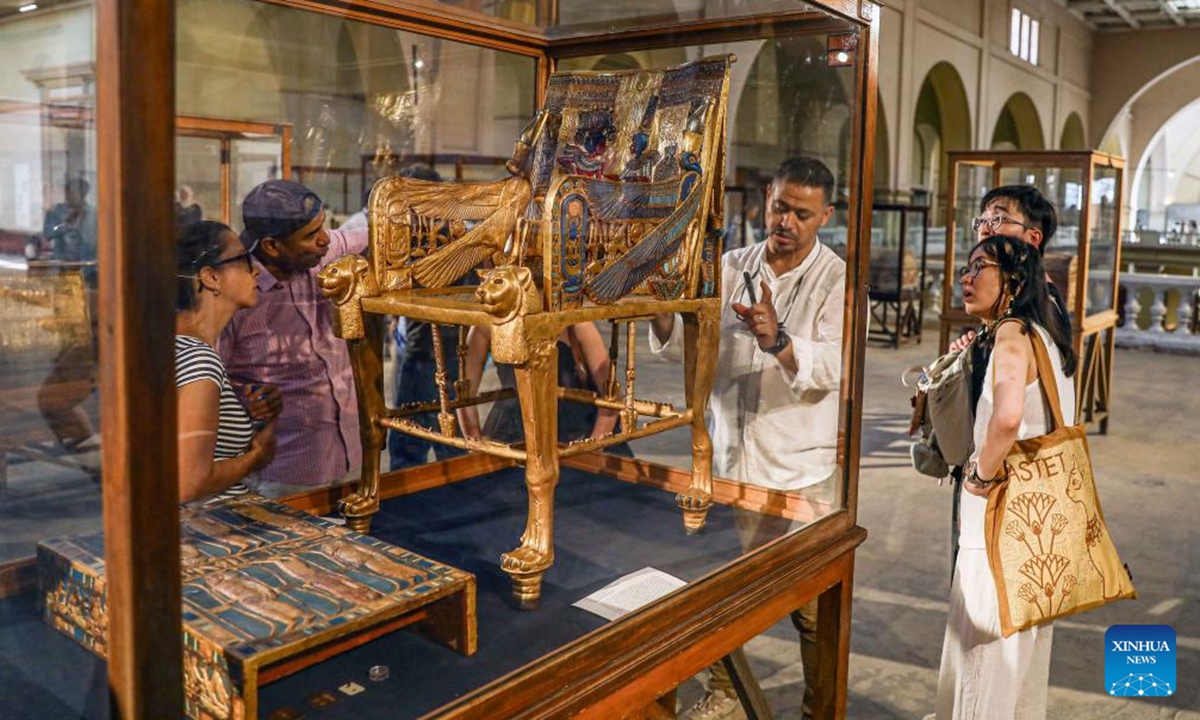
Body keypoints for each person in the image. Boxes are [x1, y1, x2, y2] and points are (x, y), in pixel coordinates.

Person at [650, 157, 845, 720]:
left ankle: (820, 707)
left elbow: (832, 368)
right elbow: (680, 333)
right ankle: (725, 690)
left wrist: (778, 339)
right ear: (766, 198)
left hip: (798, 472)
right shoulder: (731, 265)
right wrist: (662, 299)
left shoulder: (834, 281)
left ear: (825, 216)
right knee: (719, 590)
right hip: (730, 461)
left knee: (809, 607)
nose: (786, 221)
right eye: (781, 206)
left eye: (802, 214)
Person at [932, 234, 1076, 719]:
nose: (966, 277)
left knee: (986, 650)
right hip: (1040, 520)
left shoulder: (1013, 335)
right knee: (1019, 655)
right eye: (965, 268)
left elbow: (1008, 417)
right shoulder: (1043, 333)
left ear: (1013, 280)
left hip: (1002, 514)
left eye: (980, 267)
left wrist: (978, 474)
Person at [217, 180, 368, 497]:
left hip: (351, 459)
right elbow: (206, 381)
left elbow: (372, 238)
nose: (325, 240)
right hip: (285, 473)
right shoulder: (237, 297)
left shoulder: (318, 259)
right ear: (272, 246)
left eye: (322, 228)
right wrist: (247, 396)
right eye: (311, 236)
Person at [175, 221, 282, 503]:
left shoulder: (167, 345)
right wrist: (256, 456)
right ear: (211, 277)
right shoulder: (200, 360)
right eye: (244, 260)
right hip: (211, 530)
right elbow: (190, 482)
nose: (256, 269)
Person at [455, 322, 628, 454]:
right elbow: (464, 395)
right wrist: (476, 445)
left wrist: (591, 449)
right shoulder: (487, 324)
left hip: (574, 431)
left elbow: (611, 396)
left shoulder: (575, 323)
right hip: (513, 429)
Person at [951, 185, 1066, 352]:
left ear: (1032, 238)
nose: (984, 229)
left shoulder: (1040, 304)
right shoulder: (1010, 287)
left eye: (999, 219)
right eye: (983, 219)